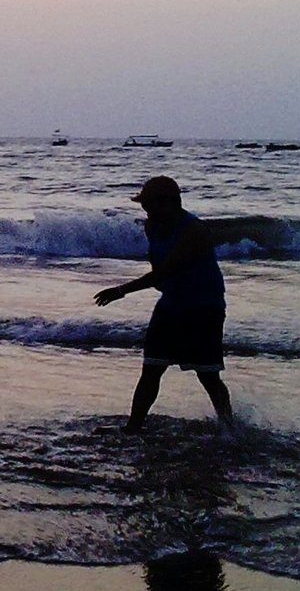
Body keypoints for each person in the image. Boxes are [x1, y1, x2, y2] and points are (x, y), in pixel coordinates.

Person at [94, 176, 232, 432]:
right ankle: (133, 427)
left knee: (208, 375)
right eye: (144, 206)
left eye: (150, 205)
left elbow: (165, 271)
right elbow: (158, 267)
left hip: (204, 306)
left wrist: (122, 290)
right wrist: (161, 282)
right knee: (151, 368)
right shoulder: (152, 227)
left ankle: (229, 428)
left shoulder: (194, 231)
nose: (147, 211)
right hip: (171, 303)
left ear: (171, 203)